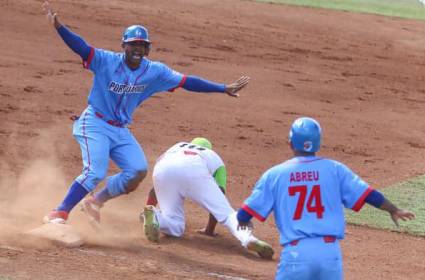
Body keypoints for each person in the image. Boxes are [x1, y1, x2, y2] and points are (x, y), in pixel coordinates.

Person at [41, 1, 250, 227]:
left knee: (137, 169)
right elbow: (81, 47)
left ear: (147, 49)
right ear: (124, 45)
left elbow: (187, 81)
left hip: (120, 130)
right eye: (133, 44)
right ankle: (60, 212)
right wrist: (59, 27)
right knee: (95, 171)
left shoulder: (155, 72)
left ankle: (95, 202)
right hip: (95, 123)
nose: (138, 49)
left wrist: (221, 88)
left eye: (142, 45)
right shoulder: (105, 61)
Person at [237, 117, 415, 279]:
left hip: (297, 253)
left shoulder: (275, 174)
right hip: (330, 254)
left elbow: (245, 213)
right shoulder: (335, 169)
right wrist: (394, 209)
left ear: (290, 143)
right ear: (318, 143)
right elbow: (369, 194)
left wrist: (243, 221)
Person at [141, 137, 274, 259]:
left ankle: (155, 216)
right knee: (228, 215)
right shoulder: (213, 157)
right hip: (194, 170)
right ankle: (249, 239)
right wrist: (209, 230)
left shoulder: (177, 147)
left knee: (174, 225)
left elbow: (155, 189)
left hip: (162, 170)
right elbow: (220, 193)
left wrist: (146, 209)